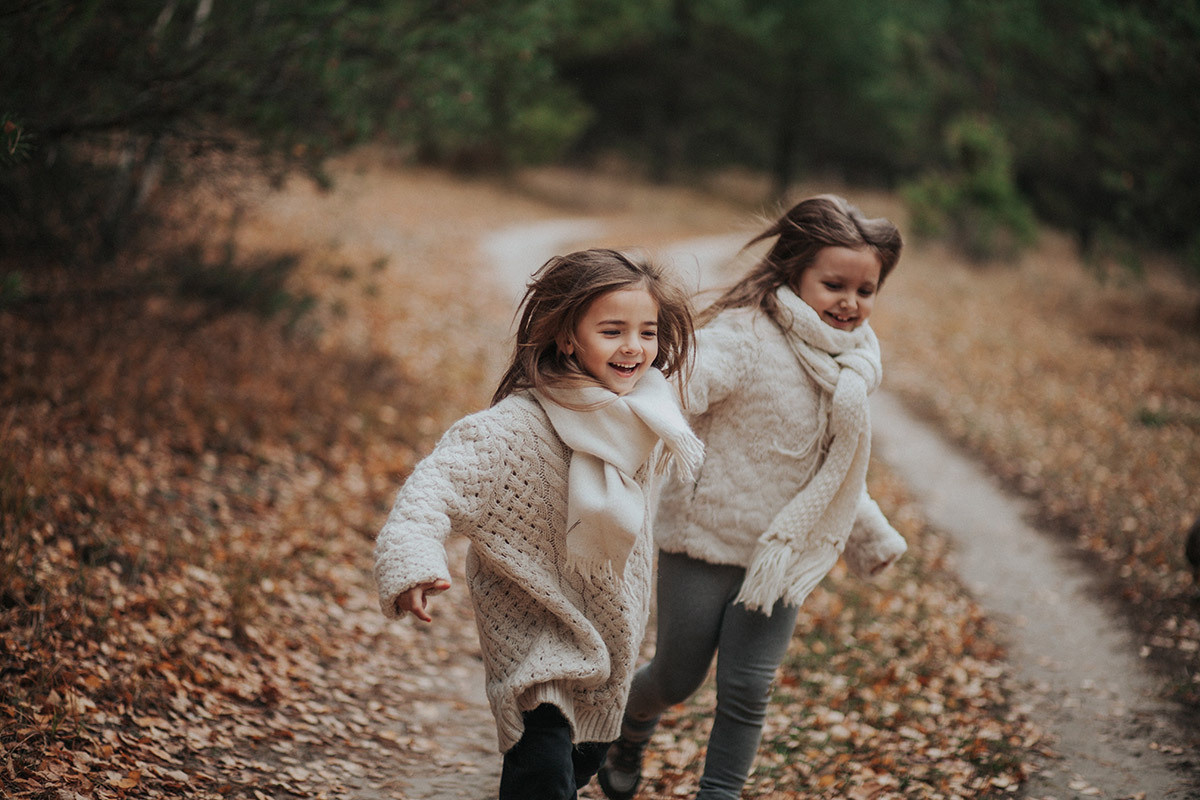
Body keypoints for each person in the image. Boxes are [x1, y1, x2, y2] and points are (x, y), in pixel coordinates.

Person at [597, 195, 909, 800]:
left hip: (779, 558)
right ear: (796, 271)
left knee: (748, 690)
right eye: (835, 284)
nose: (850, 302)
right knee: (677, 676)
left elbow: (835, 471)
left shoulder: (854, 366)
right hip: (703, 540)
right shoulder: (745, 336)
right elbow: (676, 392)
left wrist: (870, 535)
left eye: (866, 290)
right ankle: (629, 731)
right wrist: (611, 429)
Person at [374, 248, 704, 800]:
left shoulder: (650, 420)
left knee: (579, 765)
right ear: (567, 337)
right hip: (532, 642)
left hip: (610, 639)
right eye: (613, 330)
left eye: (647, 332)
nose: (634, 346)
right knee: (543, 771)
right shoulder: (511, 430)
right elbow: (432, 489)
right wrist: (413, 560)